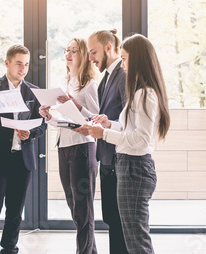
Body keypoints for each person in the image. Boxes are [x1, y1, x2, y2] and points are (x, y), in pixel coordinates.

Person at [86, 34, 170, 254]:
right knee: (132, 236)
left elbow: (141, 140)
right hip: (129, 166)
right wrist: (110, 125)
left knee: (136, 239)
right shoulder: (140, 92)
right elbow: (130, 130)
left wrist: (103, 134)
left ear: (138, 59)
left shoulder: (144, 94)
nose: (122, 64)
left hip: (135, 168)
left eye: (124, 58)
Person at [0, 45, 47, 254]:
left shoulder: (33, 91)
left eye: (26, 64)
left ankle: (9, 249)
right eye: (18, 63)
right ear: (7, 63)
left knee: (15, 211)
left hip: (22, 159)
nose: (23, 69)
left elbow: (41, 124)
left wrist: (30, 133)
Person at [38, 38, 99, 254]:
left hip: (83, 145)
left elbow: (94, 119)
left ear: (84, 55)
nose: (69, 54)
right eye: (67, 50)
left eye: (75, 50)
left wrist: (74, 103)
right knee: (74, 205)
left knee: (83, 208)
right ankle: (90, 251)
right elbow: (64, 121)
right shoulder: (63, 82)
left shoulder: (91, 85)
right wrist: (48, 116)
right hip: (63, 145)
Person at [74, 29, 128, 253]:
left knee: (122, 223)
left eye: (93, 52)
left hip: (119, 159)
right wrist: (82, 113)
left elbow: (128, 119)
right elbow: (104, 116)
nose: (90, 58)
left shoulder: (123, 76)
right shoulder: (105, 78)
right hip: (106, 159)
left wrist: (103, 129)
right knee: (112, 219)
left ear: (109, 48)